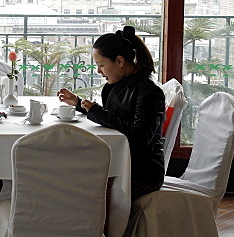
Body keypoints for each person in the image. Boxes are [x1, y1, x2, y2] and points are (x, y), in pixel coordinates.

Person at [58, 25, 166, 200]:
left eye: (101, 65)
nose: (99, 71)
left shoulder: (149, 91)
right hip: (123, 162)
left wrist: (97, 112)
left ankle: (102, 226)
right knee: (70, 174)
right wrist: (78, 104)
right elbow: (115, 119)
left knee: (76, 183)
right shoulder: (121, 84)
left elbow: (140, 136)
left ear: (120, 61)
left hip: (141, 173)